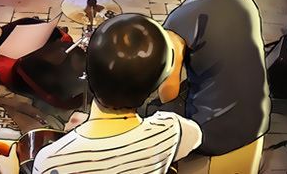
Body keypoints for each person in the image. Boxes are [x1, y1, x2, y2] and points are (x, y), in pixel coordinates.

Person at [160, 0, 270, 174]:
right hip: (257, 118)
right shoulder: (244, 0)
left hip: (214, 130)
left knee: (149, 111)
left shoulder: (183, 18)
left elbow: (167, 92)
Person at [32, 14, 202, 174]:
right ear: (157, 83)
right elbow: (196, 136)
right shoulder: (172, 130)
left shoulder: (50, 160)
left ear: (88, 72)